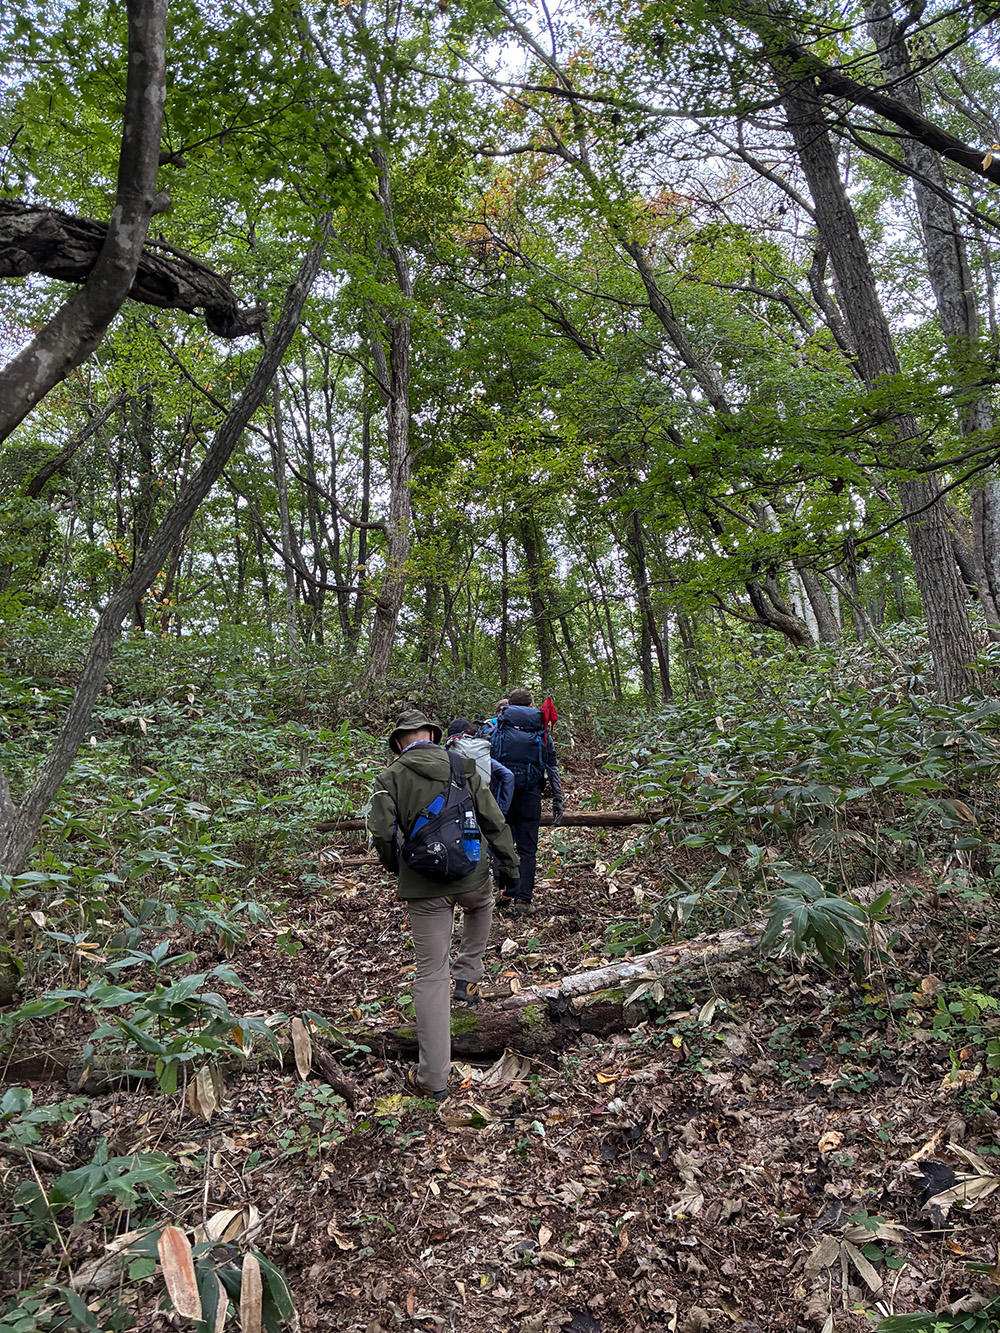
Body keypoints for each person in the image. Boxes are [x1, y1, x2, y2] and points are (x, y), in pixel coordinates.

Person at [368, 709, 520, 1100]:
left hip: (425, 888)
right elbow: (492, 819)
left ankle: (433, 1079)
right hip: (472, 876)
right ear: (433, 736)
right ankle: (468, 974)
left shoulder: (389, 778)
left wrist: (399, 868)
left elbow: (383, 834)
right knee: (481, 904)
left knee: (431, 974)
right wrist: (509, 866)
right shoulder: (463, 765)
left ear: (398, 743)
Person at [490, 688, 564, 915]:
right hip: (531, 794)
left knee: (502, 843)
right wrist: (558, 798)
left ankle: (505, 890)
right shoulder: (541, 732)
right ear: (532, 705)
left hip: (502, 794)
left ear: (508, 705)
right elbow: (552, 767)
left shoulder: (496, 728)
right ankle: (523, 900)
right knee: (528, 850)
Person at [446, 717, 515, 816]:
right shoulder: (482, 754)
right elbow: (508, 776)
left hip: (454, 809)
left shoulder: (446, 753)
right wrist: (501, 810)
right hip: (483, 809)